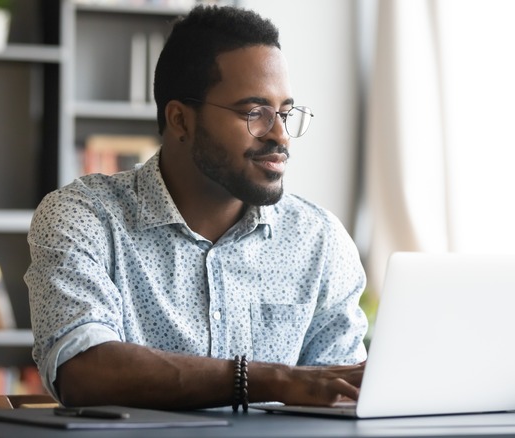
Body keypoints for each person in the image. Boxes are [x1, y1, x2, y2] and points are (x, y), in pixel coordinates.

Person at [25, 4, 367, 411]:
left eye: (285, 113)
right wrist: (269, 379)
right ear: (181, 120)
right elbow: (85, 372)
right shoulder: (82, 217)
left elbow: (342, 393)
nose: (281, 136)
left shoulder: (319, 239)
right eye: (255, 113)